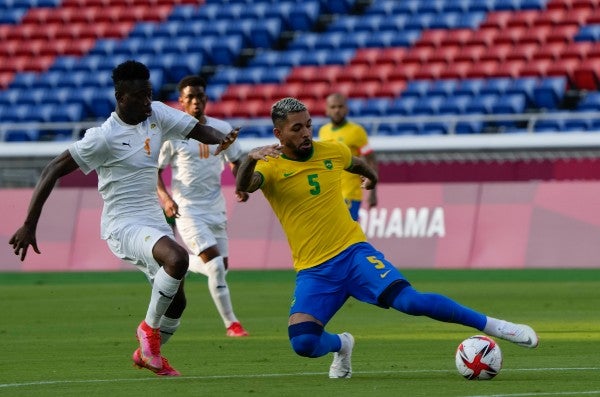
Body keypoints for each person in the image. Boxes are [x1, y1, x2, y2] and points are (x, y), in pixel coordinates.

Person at [235, 97, 539, 379]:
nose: (306, 133)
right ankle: (342, 345)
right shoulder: (270, 167)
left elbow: (356, 163)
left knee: (411, 302)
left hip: (353, 254)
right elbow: (245, 184)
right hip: (314, 270)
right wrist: (250, 158)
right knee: (303, 342)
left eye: (308, 125)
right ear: (278, 133)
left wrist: (373, 178)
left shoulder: (331, 150)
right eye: (297, 128)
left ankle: (497, 326)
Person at [8, 60, 239, 377]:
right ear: (121, 96)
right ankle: (147, 331)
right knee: (177, 259)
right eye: (140, 96)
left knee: (177, 305)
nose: (147, 101)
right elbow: (51, 170)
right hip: (123, 224)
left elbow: (198, 129)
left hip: (153, 223)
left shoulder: (156, 113)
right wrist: (29, 224)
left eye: (149, 94)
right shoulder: (103, 138)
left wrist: (221, 139)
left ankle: (146, 352)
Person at [157, 75, 249, 338]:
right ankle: (232, 324)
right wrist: (165, 199)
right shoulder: (173, 134)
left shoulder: (221, 128)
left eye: (200, 97)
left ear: (206, 99)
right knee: (217, 267)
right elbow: (155, 171)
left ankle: (183, 264)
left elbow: (236, 161)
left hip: (215, 209)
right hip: (188, 210)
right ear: (182, 102)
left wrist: (241, 185)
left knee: (221, 268)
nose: (196, 102)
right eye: (190, 98)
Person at [318, 93, 378, 221]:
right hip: (330, 195)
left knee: (347, 235)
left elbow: (371, 160)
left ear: (346, 108)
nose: (337, 110)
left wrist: (373, 192)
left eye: (340, 106)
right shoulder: (323, 131)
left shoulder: (356, 131)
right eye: (333, 107)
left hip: (350, 193)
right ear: (327, 110)